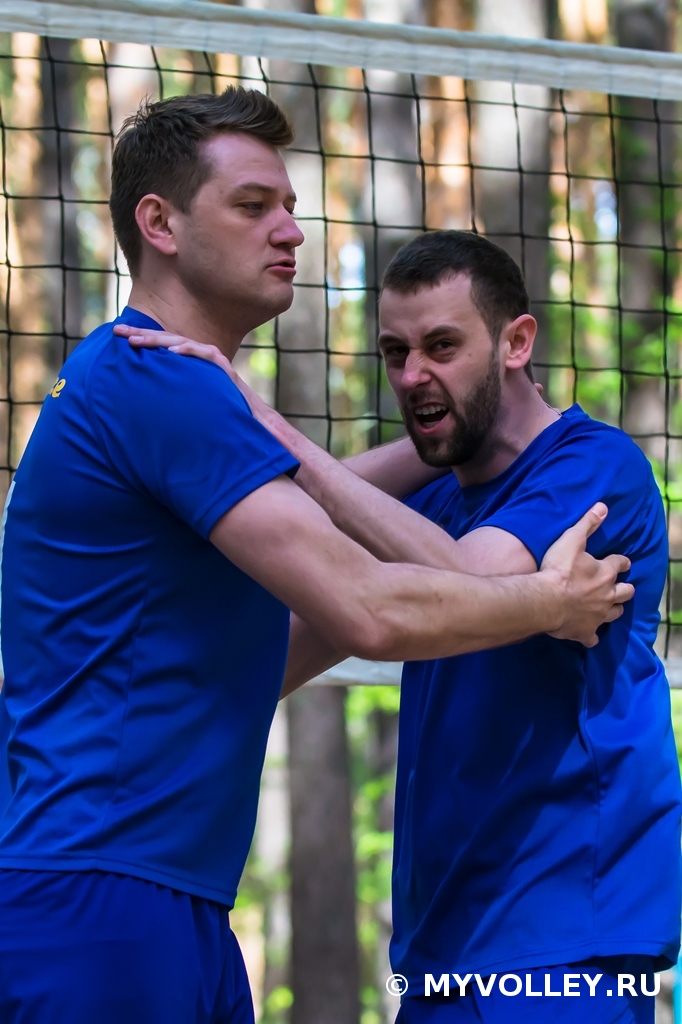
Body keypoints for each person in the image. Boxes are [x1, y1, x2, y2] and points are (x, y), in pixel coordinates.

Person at [0, 92, 631, 1024]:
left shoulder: (151, 384)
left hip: (160, 898)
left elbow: (284, 623)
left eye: (290, 206)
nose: (292, 231)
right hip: (99, 898)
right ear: (159, 224)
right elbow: (368, 610)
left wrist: (458, 435)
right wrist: (550, 602)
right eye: (253, 206)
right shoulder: (160, 380)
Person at [124, 230, 681, 1024]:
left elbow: (471, 581)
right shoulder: (432, 503)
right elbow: (277, 657)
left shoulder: (593, 464)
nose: (414, 374)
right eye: (395, 352)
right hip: (439, 953)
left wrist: (271, 430)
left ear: (517, 342)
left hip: (563, 941)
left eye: (442, 346)